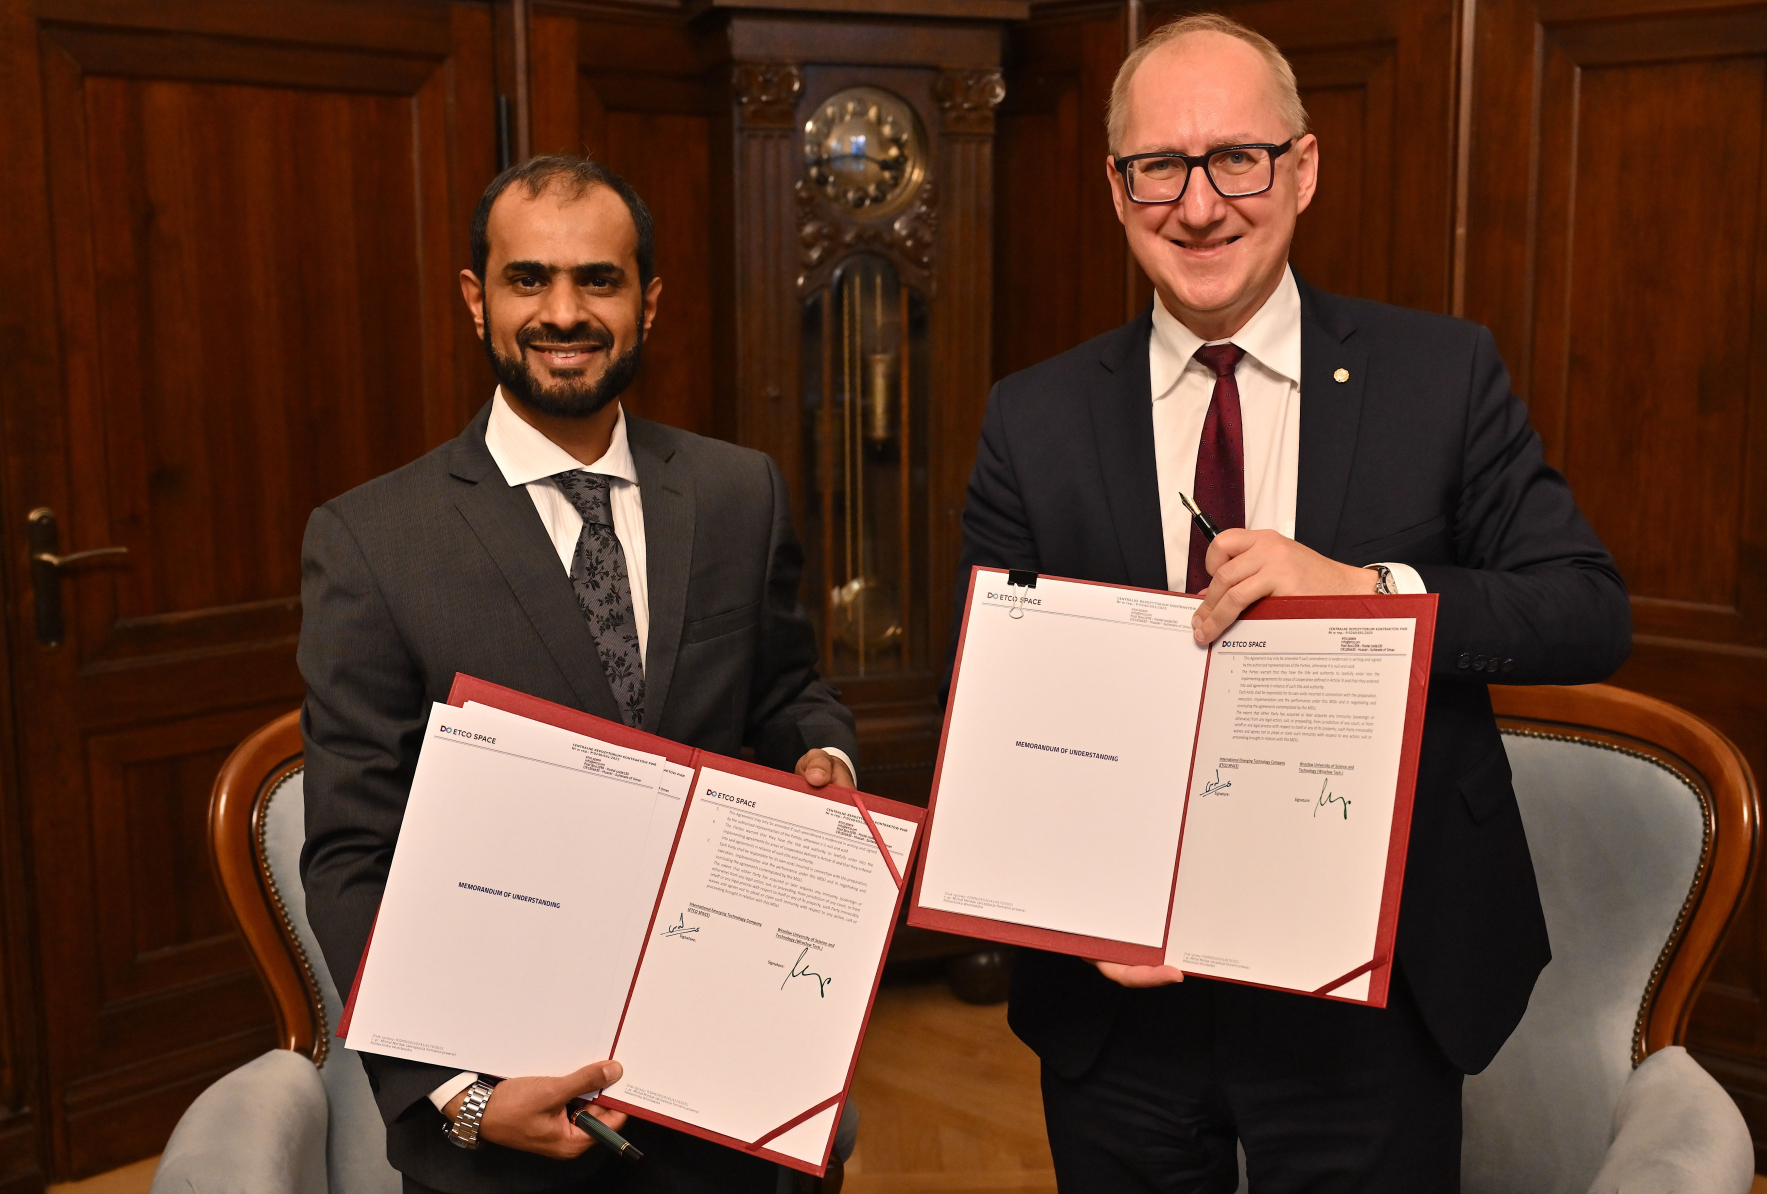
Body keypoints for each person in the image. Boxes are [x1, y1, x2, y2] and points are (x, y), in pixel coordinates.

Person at [953, 14, 1631, 1191]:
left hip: (1370, 994)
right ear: (1116, 187)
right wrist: (1075, 911)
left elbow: (1581, 610)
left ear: (1302, 168)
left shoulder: (1440, 376)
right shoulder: (1034, 417)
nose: (1199, 205)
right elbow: (997, 723)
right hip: (1121, 1012)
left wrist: (1369, 594)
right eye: (1159, 167)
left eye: (1237, 159)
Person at [299, 155, 858, 1194]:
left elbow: (786, 690)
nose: (564, 312)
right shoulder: (374, 542)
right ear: (478, 300)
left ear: (647, 300)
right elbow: (348, 856)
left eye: (598, 280)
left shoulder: (741, 493)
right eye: (528, 280)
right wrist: (458, 1093)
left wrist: (819, 757)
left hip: (724, 1077)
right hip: (506, 1109)